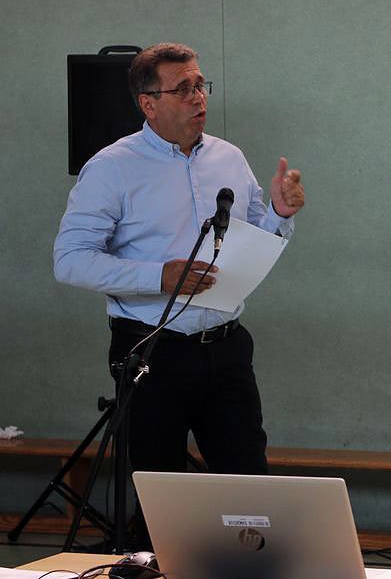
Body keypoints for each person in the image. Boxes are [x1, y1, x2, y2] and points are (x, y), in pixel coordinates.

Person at [53, 43, 305, 525]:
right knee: (162, 501)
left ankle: (248, 561)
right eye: (183, 88)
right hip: (152, 351)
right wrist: (158, 276)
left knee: (250, 488)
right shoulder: (111, 167)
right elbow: (70, 261)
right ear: (148, 103)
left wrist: (279, 212)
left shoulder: (229, 158)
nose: (198, 97)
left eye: (200, 85)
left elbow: (255, 236)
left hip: (226, 348)